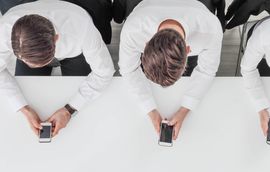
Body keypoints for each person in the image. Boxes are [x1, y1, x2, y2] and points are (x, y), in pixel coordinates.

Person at [0, 0, 115, 137]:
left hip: (75, 53)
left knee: (82, 100)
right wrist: (24, 109)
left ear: (56, 38)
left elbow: (104, 72)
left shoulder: (82, 27)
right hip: (30, 51)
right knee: (29, 91)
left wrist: (69, 109)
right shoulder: (5, 29)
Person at [118, 0, 223, 141]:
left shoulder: (210, 29)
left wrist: (185, 109)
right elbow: (128, 70)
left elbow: (207, 70)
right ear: (146, 44)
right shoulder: (133, 30)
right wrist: (150, 110)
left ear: (187, 50)